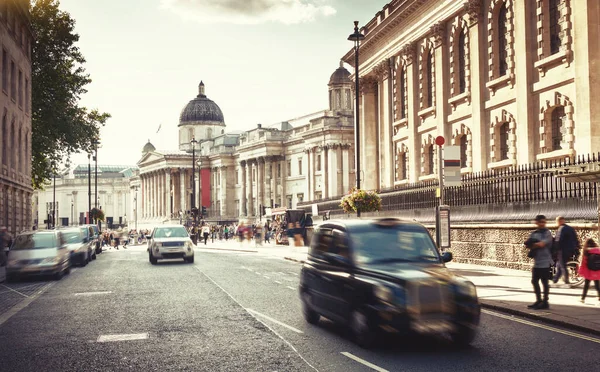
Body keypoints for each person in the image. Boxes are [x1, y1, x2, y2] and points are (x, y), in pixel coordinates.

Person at [525, 215, 554, 310]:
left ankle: (545, 302)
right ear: (536, 222)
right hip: (537, 262)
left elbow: (542, 244)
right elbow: (527, 245)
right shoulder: (534, 233)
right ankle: (538, 300)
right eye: (541, 222)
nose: (542, 223)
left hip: (545, 261)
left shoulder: (547, 233)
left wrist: (534, 244)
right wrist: (534, 244)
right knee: (534, 281)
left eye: (544, 222)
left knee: (544, 282)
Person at [553, 216, 580, 284]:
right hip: (570, 250)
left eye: (557, 221)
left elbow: (558, 240)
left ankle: (566, 279)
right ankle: (555, 279)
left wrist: (555, 249)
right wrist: (576, 247)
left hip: (562, 250)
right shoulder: (570, 228)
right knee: (559, 264)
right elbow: (576, 239)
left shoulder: (561, 229)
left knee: (562, 265)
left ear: (560, 221)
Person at [579, 238, 600, 304]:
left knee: (586, 285)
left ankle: (583, 298)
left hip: (589, 271)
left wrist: (581, 271)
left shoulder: (586, 251)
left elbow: (584, 262)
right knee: (597, 285)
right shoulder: (598, 250)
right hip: (597, 270)